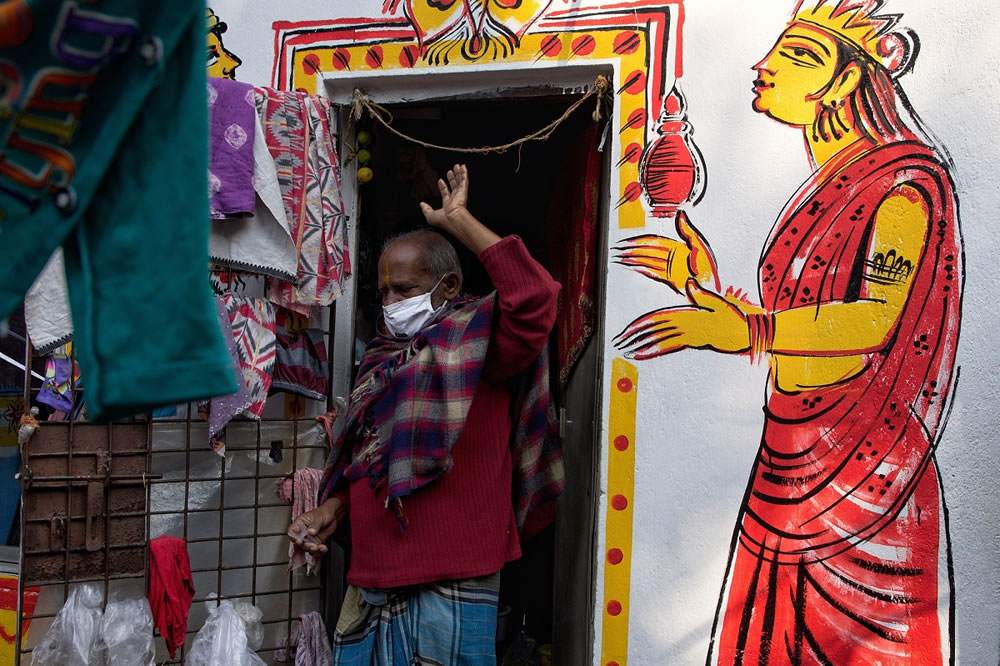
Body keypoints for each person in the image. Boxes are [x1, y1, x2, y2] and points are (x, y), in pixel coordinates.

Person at [615, 2, 962, 664]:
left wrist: (744, 329)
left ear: (844, 84)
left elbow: (871, 320)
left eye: (798, 57)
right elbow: (796, 320)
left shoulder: (904, 184)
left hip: (868, 474)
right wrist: (698, 288)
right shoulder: (826, 184)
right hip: (787, 455)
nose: (763, 65)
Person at [289, 164, 563, 664]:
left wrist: (457, 222)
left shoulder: (480, 341)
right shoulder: (378, 360)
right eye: (384, 292)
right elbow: (369, 461)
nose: (390, 304)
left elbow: (536, 298)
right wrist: (333, 508)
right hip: (370, 579)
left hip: (451, 577)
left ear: (449, 285)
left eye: (406, 290)